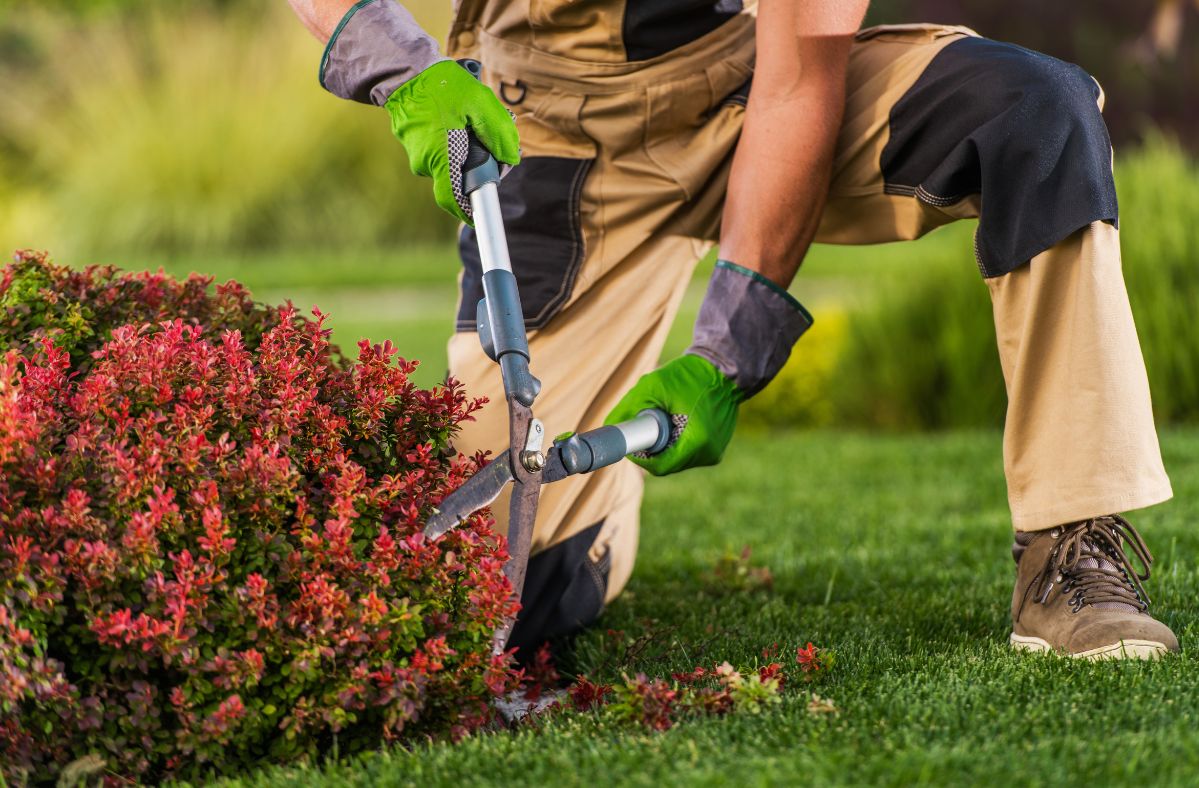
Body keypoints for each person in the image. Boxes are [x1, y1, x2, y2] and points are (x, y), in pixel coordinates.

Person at [288, 0, 1178, 659]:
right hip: (557, 131)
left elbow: (797, 82)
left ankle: (1071, 546)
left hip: (751, 85)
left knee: (1036, 113)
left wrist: (725, 354)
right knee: (504, 588)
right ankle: (594, 509)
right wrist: (405, 66)